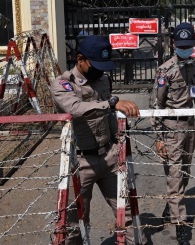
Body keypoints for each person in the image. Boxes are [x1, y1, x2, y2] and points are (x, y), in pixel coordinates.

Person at [50, 35, 144, 244]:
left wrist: (119, 142)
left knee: (127, 214)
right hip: (81, 163)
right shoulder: (64, 84)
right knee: (75, 223)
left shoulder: (102, 79)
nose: (100, 71)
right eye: (96, 65)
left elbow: (109, 117)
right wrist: (111, 104)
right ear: (80, 59)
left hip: (109, 157)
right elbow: (75, 109)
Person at [152, 22, 195, 245]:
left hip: (190, 128)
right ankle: (181, 224)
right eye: (181, 45)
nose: (185, 49)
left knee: (184, 173)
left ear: (194, 44)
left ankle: (171, 206)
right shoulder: (165, 70)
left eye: (188, 46)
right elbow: (156, 104)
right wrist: (158, 138)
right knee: (175, 175)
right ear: (174, 44)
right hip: (171, 129)